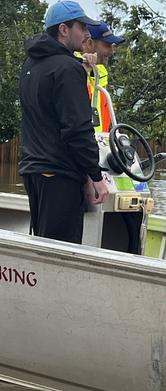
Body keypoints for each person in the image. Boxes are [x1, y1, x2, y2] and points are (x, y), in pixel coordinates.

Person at [19, 1, 109, 244]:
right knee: (62, 254)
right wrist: (96, 176)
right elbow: (77, 129)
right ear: (63, 29)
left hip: (34, 173)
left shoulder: (31, 65)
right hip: (60, 175)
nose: (88, 34)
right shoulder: (68, 69)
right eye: (82, 27)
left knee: (44, 244)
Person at [80, 21, 125, 132]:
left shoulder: (100, 72)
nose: (111, 51)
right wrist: (82, 70)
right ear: (90, 43)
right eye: (107, 45)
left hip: (97, 144)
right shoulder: (71, 68)